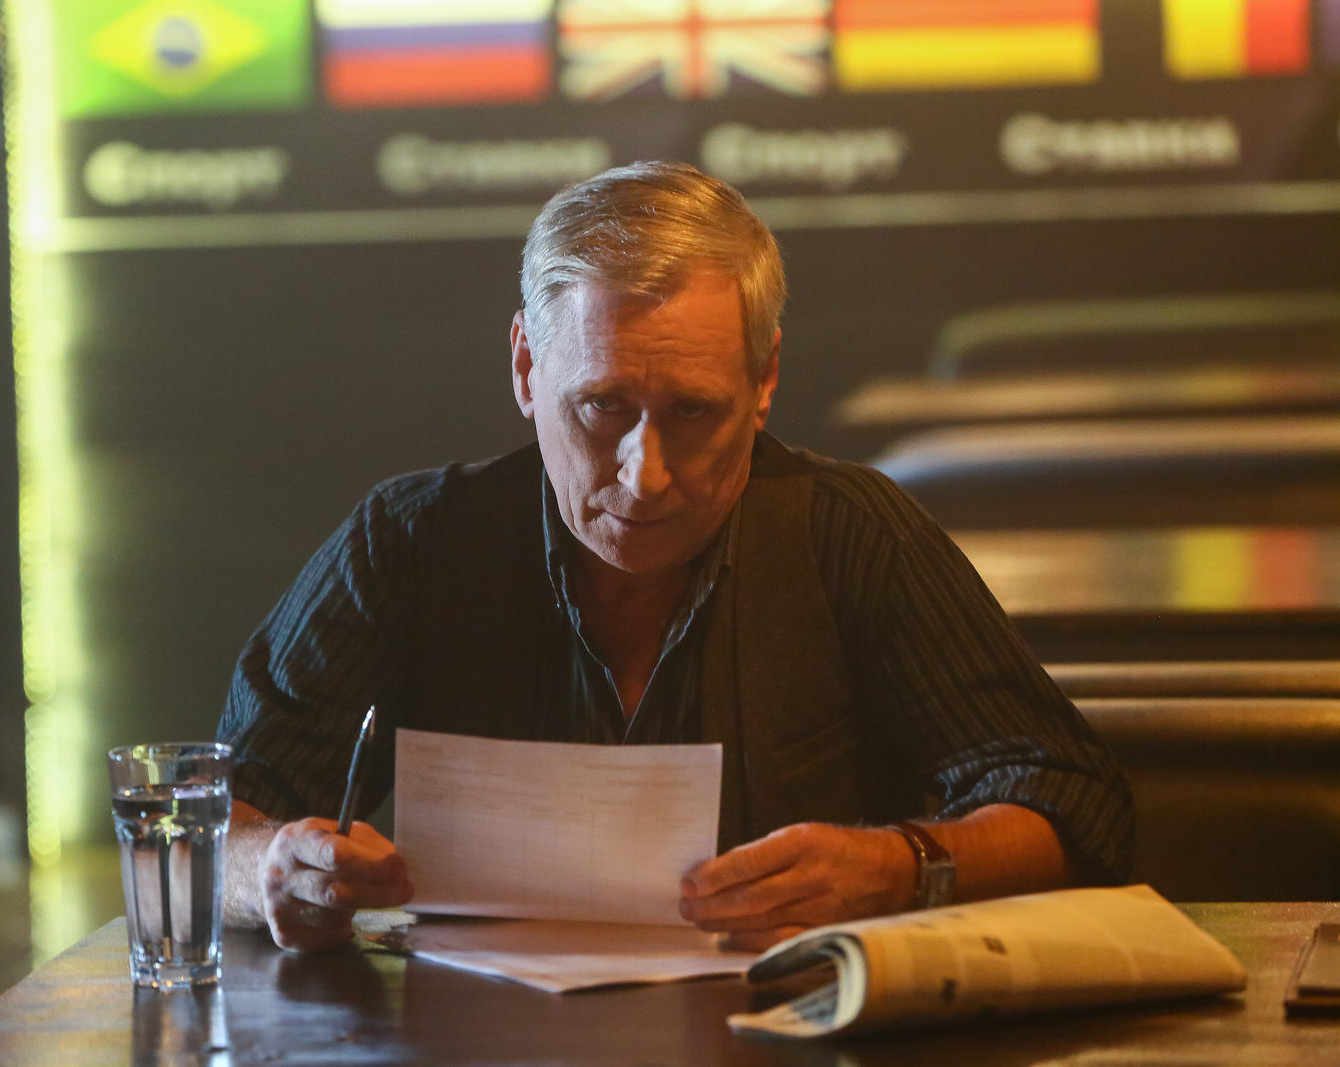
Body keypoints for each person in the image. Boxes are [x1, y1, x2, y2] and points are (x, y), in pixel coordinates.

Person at [217, 161, 1133, 952]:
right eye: (603, 406)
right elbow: (212, 818)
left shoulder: (850, 534)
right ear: (527, 368)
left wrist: (902, 865)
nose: (645, 475)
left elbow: (1076, 805)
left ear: (765, 379)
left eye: (692, 412)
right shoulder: (410, 543)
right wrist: (269, 871)